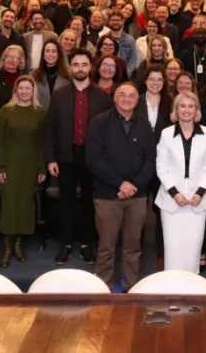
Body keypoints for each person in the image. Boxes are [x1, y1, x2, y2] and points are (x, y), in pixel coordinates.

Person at [44, 48, 113, 265]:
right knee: (66, 202)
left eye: (84, 64)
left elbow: (109, 131)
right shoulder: (59, 95)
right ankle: (65, 244)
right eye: (76, 65)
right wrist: (50, 158)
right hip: (65, 156)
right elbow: (50, 129)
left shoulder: (103, 96)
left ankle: (87, 244)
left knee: (89, 203)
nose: (80, 69)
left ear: (90, 67)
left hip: (92, 158)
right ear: (70, 67)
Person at [86, 82, 157, 291]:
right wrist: (120, 183)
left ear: (138, 100)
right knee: (106, 248)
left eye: (132, 96)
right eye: (122, 95)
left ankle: (131, 288)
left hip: (137, 196)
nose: (127, 99)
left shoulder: (144, 125)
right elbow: (93, 159)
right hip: (108, 196)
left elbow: (151, 160)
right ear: (115, 98)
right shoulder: (99, 123)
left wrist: (134, 185)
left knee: (133, 247)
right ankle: (103, 289)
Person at [154, 91, 206, 273]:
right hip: (172, 200)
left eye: (191, 106)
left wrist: (200, 192)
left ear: (196, 110)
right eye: (182, 106)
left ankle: (192, 287)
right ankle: (172, 289)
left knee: (193, 248)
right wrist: (175, 193)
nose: (186, 110)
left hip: (198, 200)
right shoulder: (166, 134)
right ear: (176, 109)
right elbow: (162, 167)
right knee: (173, 249)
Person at [0, 75, 47, 268]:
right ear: (16, 90)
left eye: (28, 88)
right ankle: (7, 248)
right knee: (9, 205)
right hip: (10, 165)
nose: (24, 91)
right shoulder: (6, 111)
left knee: (25, 205)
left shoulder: (39, 113)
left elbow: (42, 143)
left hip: (30, 166)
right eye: (21, 88)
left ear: (33, 91)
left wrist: (42, 167)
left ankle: (18, 245)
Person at [136, 65, 173, 270]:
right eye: (152, 79)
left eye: (159, 79)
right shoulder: (136, 100)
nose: (156, 83)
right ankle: (137, 252)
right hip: (139, 163)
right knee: (139, 210)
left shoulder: (170, 103)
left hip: (163, 163)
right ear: (146, 80)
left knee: (161, 211)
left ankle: (162, 253)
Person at [34, 40, 71, 109]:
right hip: (41, 116)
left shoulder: (68, 76)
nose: (50, 54)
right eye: (47, 51)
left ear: (58, 54)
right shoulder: (34, 75)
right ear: (43, 55)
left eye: (54, 51)